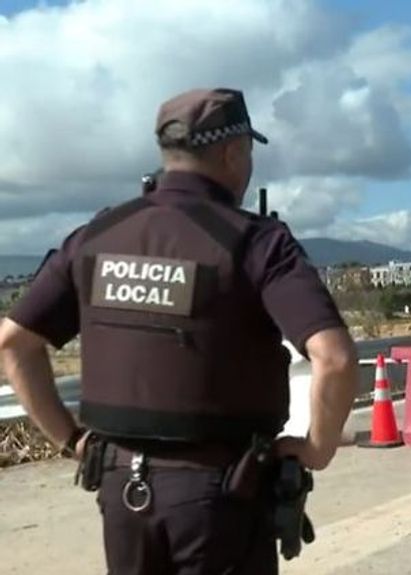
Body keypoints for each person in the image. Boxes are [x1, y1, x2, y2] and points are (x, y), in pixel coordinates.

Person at [0, 88, 360, 575]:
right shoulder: (256, 241)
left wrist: (72, 441)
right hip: (221, 496)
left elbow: (14, 343)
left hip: (118, 487)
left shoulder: (97, 235)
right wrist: (318, 446)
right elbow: (334, 358)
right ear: (234, 152)